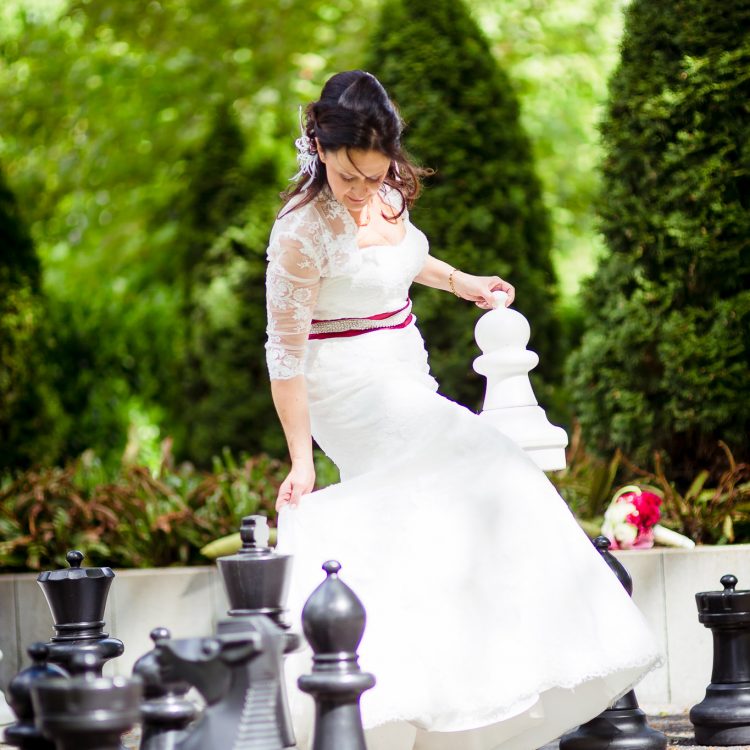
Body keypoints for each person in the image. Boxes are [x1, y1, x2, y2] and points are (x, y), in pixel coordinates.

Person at [266, 70, 660, 750]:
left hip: (403, 365)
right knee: (489, 459)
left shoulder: (387, 193)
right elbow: (285, 355)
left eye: (373, 174)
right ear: (320, 148)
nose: (362, 192)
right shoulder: (301, 233)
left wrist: (460, 282)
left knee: (421, 519)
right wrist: (302, 460)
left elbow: (399, 263)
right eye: (348, 177)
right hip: (346, 386)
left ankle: (425, 701)